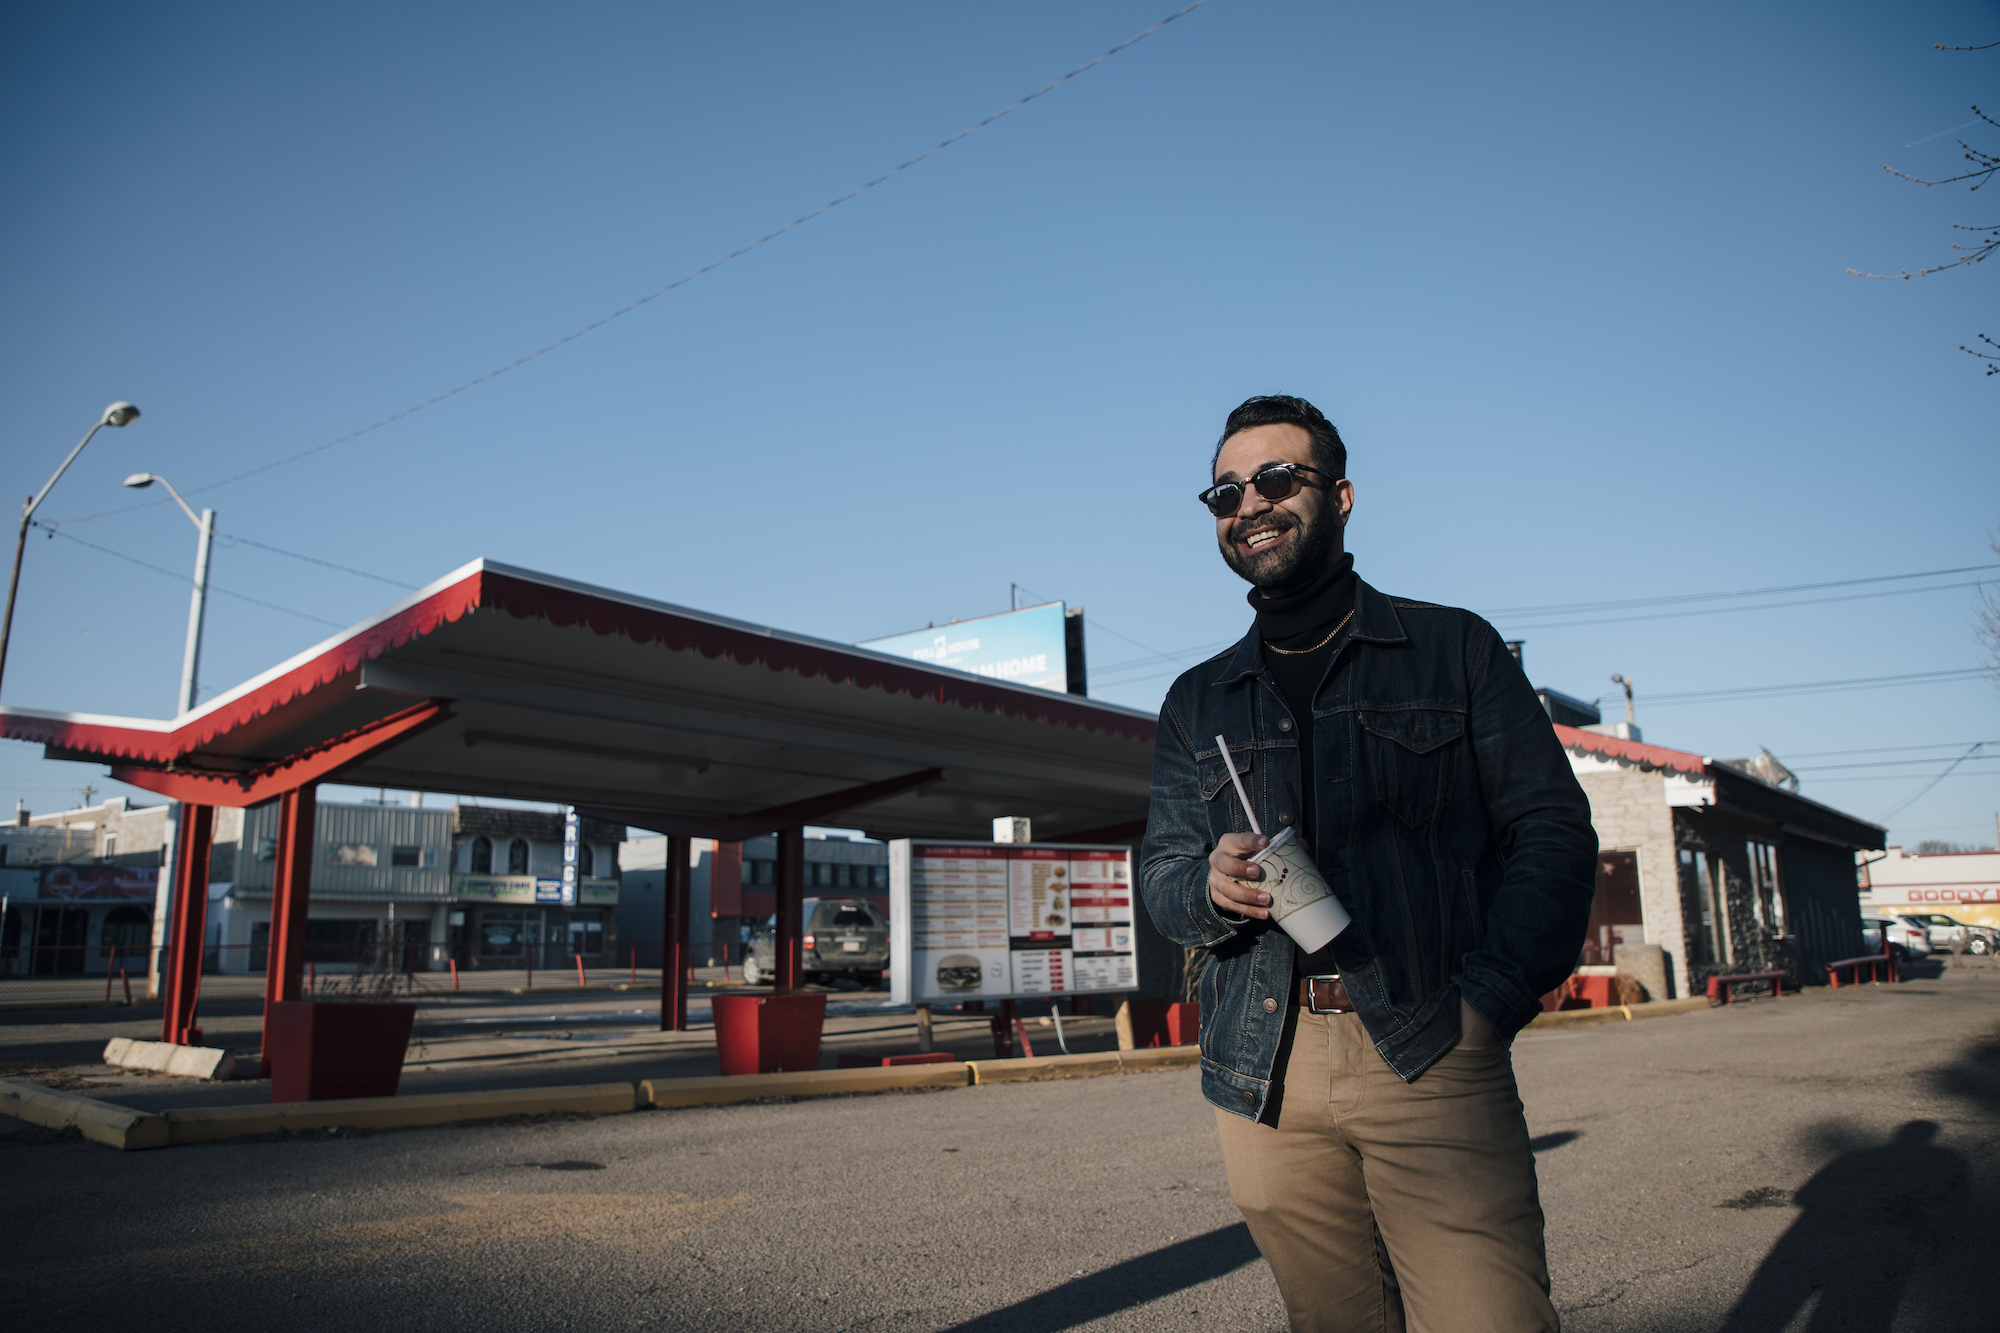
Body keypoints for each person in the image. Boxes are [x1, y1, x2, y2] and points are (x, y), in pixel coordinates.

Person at [1139, 394, 1598, 1333]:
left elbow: (1552, 832)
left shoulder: (1454, 650)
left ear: (1340, 495)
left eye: (1275, 478)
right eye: (1225, 491)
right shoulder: (1198, 700)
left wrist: (1492, 1001)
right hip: (1264, 1070)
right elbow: (1164, 876)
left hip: (1432, 1042)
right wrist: (1211, 887)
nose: (1249, 504)